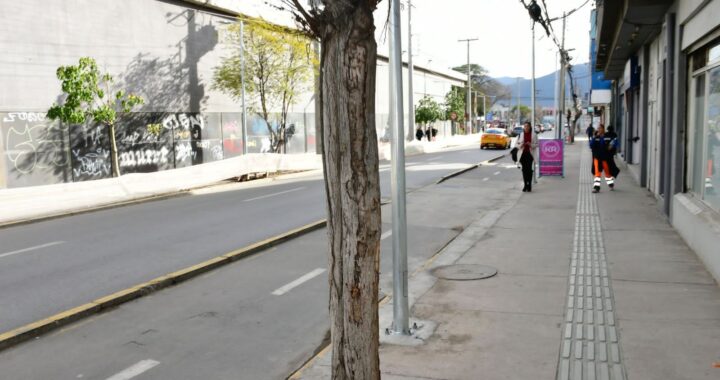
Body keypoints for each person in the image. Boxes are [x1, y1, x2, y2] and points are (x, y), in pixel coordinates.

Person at [589, 124, 619, 192]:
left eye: (600, 128)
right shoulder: (596, 137)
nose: (598, 130)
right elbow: (591, 145)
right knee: (597, 173)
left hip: (605, 158)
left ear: (603, 129)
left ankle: (610, 184)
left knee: (607, 173)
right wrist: (594, 137)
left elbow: (615, 141)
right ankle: (596, 187)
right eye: (598, 128)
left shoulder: (607, 136)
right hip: (597, 158)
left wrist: (611, 146)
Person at [516, 121, 538, 192]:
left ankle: (529, 185)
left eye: (527, 126)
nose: (526, 127)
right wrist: (520, 145)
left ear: (530, 127)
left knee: (529, 170)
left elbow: (537, 144)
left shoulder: (534, 135)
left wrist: (530, 144)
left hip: (530, 154)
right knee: (524, 170)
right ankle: (525, 185)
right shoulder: (521, 134)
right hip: (522, 154)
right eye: (525, 126)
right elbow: (516, 145)